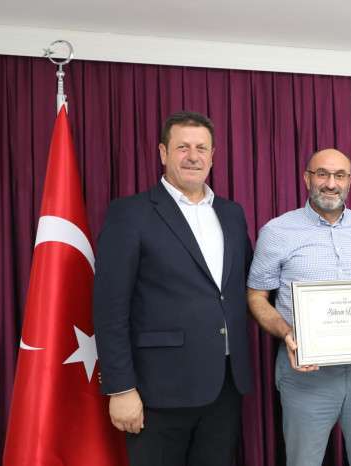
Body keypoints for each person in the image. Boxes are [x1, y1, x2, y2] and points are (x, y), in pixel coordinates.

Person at [93, 111, 253, 466]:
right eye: (183, 147)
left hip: (225, 385)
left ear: (213, 156)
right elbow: (109, 308)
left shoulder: (232, 213)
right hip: (158, 389)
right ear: (163, 153)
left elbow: (245, 286)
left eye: (201, 148)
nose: (193, 156)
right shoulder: (130, 214)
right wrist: (121, 388)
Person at [246, 148, 351, 466]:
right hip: (306, 373)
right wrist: (287, 333)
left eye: (340, 175)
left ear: (350, 181)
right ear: (307, 178)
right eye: (322, 174)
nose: (331, 183)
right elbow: (256, 297)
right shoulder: (276, 231)